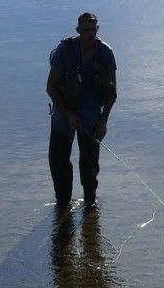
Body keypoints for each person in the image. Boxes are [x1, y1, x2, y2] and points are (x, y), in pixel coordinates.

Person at [47, 12, 117, 207]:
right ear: (78, 30)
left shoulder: (105, 52)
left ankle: (89, 207)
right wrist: (69, 114)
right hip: (64, 113)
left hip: (92, 116)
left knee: (89, 166)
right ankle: (62, 206)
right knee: (58, 161)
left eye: (93, 30)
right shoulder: (64, 51)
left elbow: (113, 93)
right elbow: (50, 88)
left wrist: (103, 122)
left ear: (97, 30)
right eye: (86, 30)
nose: (90, 34)